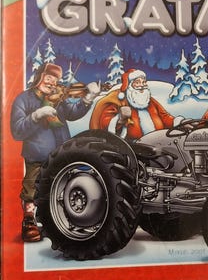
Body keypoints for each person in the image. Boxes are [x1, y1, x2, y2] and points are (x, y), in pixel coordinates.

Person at [10, 63, 100, 242]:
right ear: (39, 77)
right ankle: (29, 221)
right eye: (49, 77)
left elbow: (73, 113)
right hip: (37, 155)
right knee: (31, 189)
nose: (52, 83)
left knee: (64, 187)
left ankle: (63, 222)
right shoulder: (24, 99)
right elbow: (17, 131)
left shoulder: (57, 98)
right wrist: (36, 116)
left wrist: (88, 98)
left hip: (61, 155)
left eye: (56, 79)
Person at [89, 68, 185, 140]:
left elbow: (164, 116)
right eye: (137, 83)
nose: (142, 85)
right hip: (134, 148)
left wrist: (179, 122)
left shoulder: (149, 100)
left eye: (143, 82)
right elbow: (105, 122)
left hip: (158, 143)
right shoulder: (119, 100)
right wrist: (120, 119)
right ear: (129, 85)